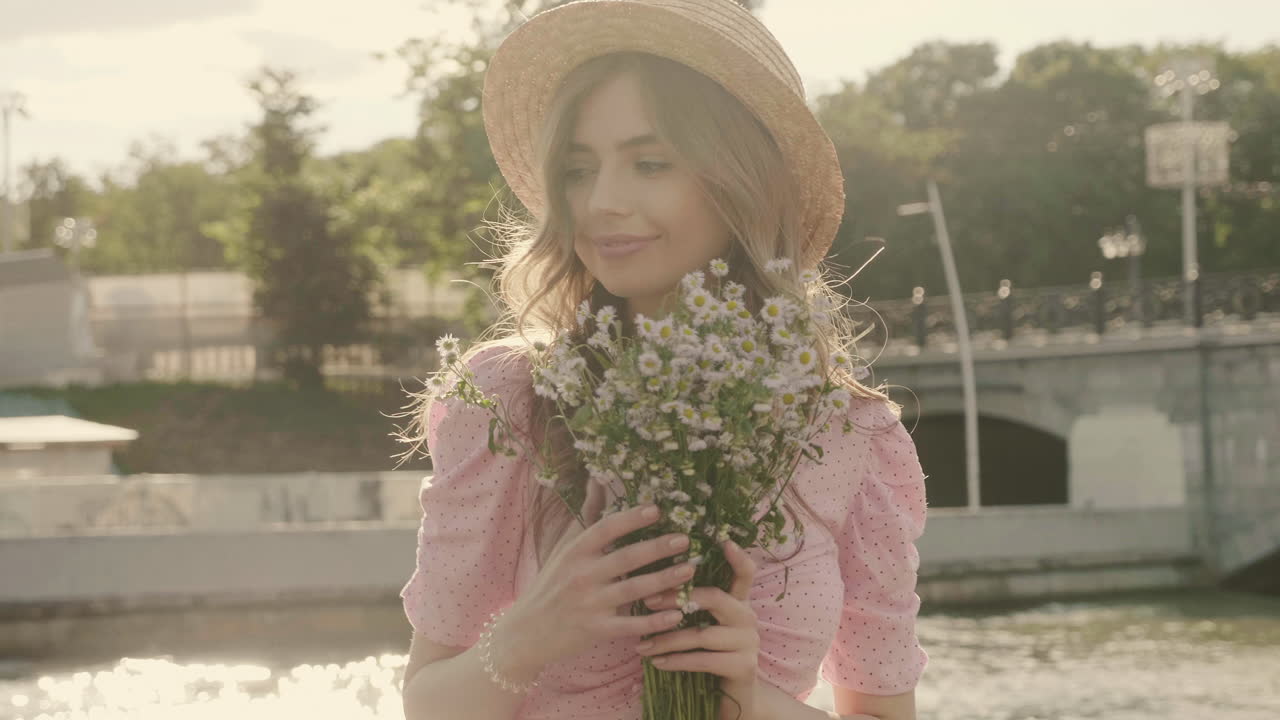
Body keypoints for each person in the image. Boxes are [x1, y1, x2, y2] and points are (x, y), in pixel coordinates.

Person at [396, 1, 929, 719]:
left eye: (649, 163)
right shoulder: (507, 399)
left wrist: (746, 695)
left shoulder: (851, 437)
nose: (602, 202)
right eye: (579, 170)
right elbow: (427, 705)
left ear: (739, 179)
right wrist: (529, 635)